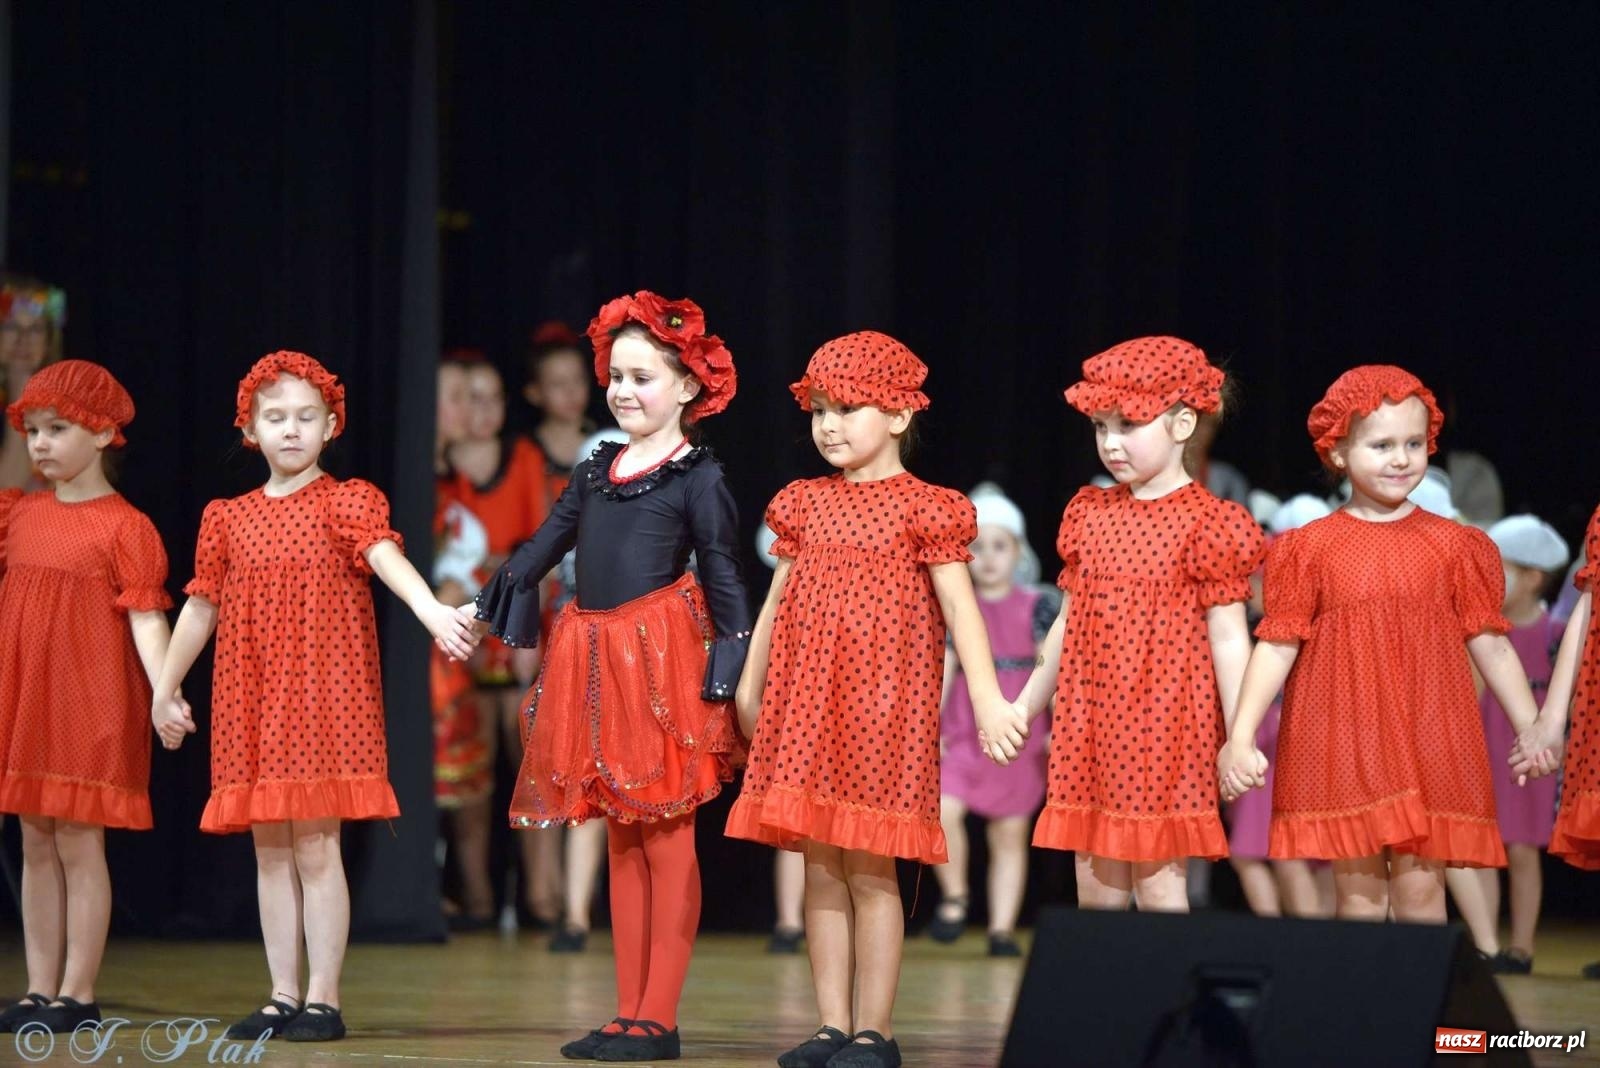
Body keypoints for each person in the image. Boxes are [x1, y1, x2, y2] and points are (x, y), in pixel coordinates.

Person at [151, 351, 479, 1041]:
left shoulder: (345, 501)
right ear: (250, 430)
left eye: (306, 417)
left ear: (331, 426)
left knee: (316, 847)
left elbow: (386, 558)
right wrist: (165, 686)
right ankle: (281, 994)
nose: (291, 430)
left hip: (325, 696)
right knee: (271, 849)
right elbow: (202, 607)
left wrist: (431, 611)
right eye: (275, 418)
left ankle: (323, 997)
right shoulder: (227, 518)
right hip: (252, 696)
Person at [728, 330, 1025, 1068]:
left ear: (897, 415)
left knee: (870, 866)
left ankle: (875, 1030)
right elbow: (776, 602)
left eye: (848, 408)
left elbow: (961, 611)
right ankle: (831, 1024)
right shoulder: (804, 504)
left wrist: (989, 700)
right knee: (819, 864)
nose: (828, 425)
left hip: (883, 712)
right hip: (807, 706)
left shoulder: (927, 509)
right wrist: (749, 684)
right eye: (819, 410)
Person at [472, 292, 747, 1062]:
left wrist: (731, 660)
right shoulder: (597, 468)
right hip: (596, 661)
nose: (623, 391)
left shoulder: (697, 477)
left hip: (663, 664)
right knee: (625, 841)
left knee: (667, 840)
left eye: (642, 378)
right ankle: (628, 1012)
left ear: (687, 387)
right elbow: (546, 542)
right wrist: (488, 598)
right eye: (616, 377)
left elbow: (723, 573)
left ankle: (660, 1015)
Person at [1220, 365, 1550, 925]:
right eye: (1382, 445)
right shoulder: (1309, 548)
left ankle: (1423, 985)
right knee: (1359, 897)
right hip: (1346, 738)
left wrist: (1531, 725)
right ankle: (1364, 987)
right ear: (1338, 452)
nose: (1401, 459)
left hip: (1428, 734)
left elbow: (1491, 644)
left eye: (1414, 444)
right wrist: (1241, 736)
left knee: (1422, 892)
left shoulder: (1455, 546)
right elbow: (1276, 645)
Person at [1011, 336, 1262, 912]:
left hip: (1167, 724)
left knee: (1159, 883)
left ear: (1181, 424)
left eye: (1128, 425)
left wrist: (1240, 734)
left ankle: (1162, 978)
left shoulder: (1210, 523)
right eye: (1101, 427)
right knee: (1095, 883)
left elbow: (1229, 638)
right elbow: (1067, 623)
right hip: (1091, 721)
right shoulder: (1090, 514)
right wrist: (1024, 707)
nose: (1111, 442)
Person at [0, 361, 178, 1034]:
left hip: (89, 702)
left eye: (58, 428)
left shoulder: (123, 527)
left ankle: (78, 991)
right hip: (28, 702)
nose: (41, 443)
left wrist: (164, 692)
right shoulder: (22, 515)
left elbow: (147, 619)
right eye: (33, 430)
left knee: (78, 841)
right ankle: (38, 987)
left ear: (103, 434)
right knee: (34, 840)